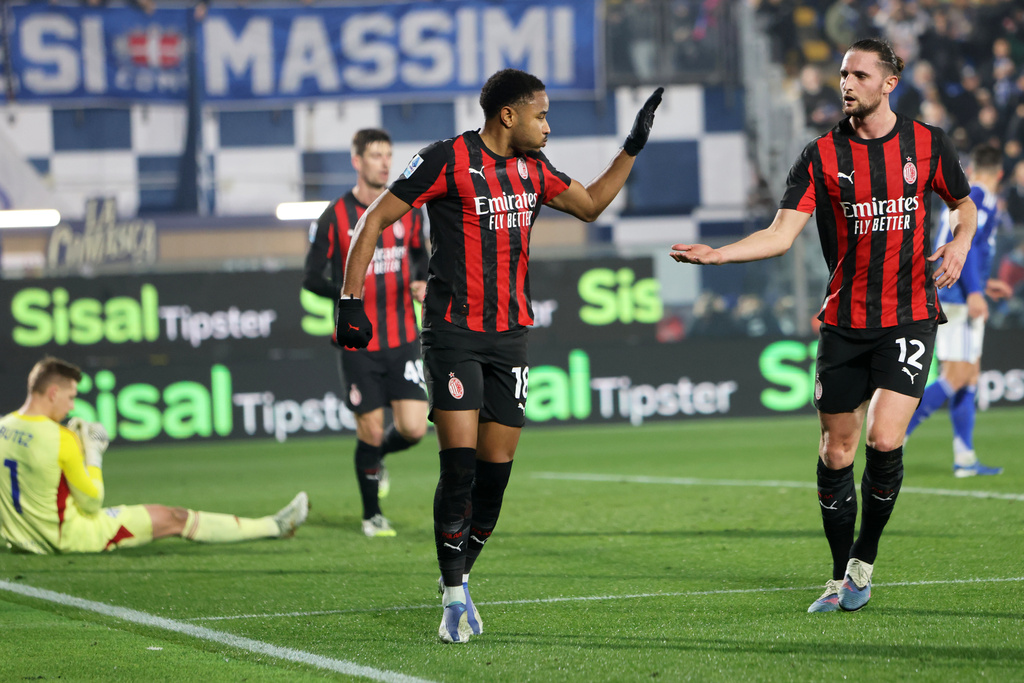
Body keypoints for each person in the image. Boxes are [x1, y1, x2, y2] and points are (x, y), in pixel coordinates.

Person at [334, 69, 663, 642]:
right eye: (542, 115)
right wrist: (349, 299)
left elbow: (589, 206)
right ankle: (454, 593)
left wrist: (631, 146)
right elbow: (374, 218)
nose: (548, 126)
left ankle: (457, 576)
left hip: (511, 338)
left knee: (493, 483)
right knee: (458, 468)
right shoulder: (445, 159)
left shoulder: (535, 170)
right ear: (508, 115)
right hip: (454, 335)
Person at [670, 38, 975, 614]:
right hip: (843, 321)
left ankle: (865, 559)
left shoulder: (927, 144)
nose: (846, 83)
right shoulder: (819, 157)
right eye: (842, 74)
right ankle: (839, 575)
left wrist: (959, 242)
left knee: (885, 439)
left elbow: (964, 204)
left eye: (859, 74)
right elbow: (780, 235)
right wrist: (719, 255)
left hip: (908, 314)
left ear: (889, 83)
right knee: (838, 450)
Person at [1, 357, 308, 555]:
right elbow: (92, 501)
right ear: (53, 393)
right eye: (70, 397)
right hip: (70, 538)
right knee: (174, 517)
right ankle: (273, 526)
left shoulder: (4, 427)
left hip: (20, 540)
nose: (71, 407)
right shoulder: (60, 438)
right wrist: (93, 455)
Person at [303, 128, 430, 538]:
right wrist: (347, 293)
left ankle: (380, 459)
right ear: (357, 161)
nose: (384, 162)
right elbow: (311, 278)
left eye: (388, 155)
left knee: (413, 428)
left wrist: (420, 281)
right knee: (371, 429)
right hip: (357, 342)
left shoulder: (407, 209)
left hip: (403, 337)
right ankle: (372, 515)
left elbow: (421, 256)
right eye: (375, 155)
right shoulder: (335, 215)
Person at [905, 144, 1013, 476]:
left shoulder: (970, 195)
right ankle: (895, 432)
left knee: (969, 378)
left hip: (957, 291)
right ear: (998, 173)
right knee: (957, 377)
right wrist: (975, 293)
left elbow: (974, 249)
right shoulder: (978, 196)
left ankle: (964, 458)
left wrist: (984, 282)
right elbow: (962, 245)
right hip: (957, 297)